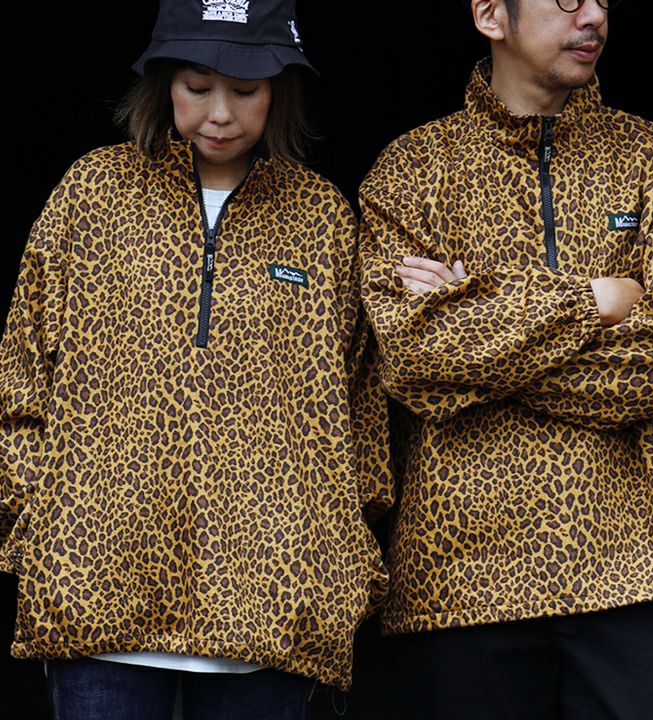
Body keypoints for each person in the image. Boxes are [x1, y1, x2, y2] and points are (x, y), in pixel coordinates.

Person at [0, 1, 393, 718]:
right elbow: (23, 368)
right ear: (164, 84)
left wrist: (344, 561)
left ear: (278, 93)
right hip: (97, 587)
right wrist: (34, 524)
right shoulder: (93, 193)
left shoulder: (323, 218)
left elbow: (360, 405)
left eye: (245, 90)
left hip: (274, 601)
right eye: (197, 86)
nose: (219, 113)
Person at [358, 1, 653, 718]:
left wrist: (477, 316)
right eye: (566, 0)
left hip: (637, 559)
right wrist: (597, 300)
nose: (594, 16)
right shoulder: (411, 169)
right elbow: (413, 359)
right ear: (492, 15)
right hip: (460, 573)